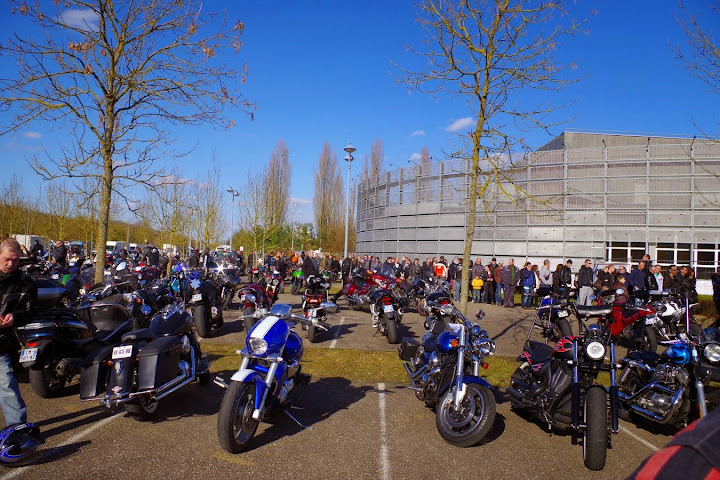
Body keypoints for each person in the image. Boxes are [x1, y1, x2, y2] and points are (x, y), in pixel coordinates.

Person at [0, 239, 36, 427]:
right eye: (6, 259)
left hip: (2, 341)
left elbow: (31, 311)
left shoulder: (25, 283)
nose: (10, 264)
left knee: (7, 385)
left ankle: (18, 428)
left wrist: (15, 317)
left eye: (15, 260)